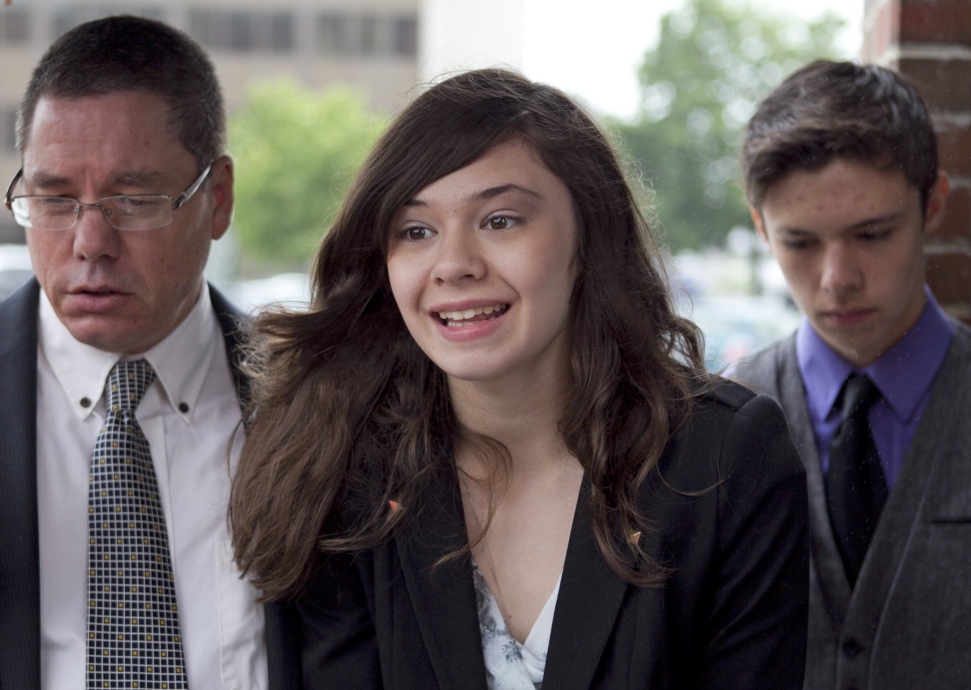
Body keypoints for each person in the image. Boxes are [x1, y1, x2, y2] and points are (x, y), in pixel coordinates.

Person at [230, 68, 809, 689]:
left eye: (500, 220)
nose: (453, 265)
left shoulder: (723, 458)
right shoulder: (338, 468)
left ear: (586, 240)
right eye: (416, 231)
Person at [0, 16, 299, 690]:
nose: (90, 241)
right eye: (54, 199)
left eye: (134, 199)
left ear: (218, 199)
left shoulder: (316, 400)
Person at [734, 60, 971, 690]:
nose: (837, 278)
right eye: (800, 243)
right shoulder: (718, 421)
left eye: (872, 234)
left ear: (934, 205)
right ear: (761, 228)